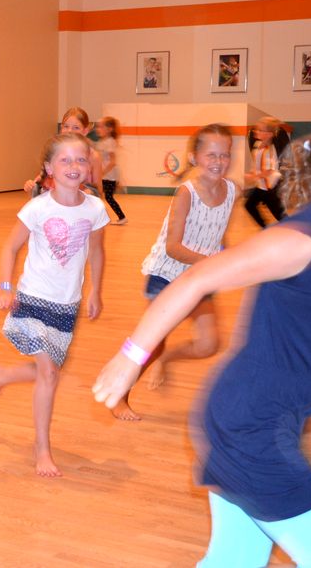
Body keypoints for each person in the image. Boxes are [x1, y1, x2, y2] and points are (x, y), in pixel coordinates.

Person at [93, 102, 311, 565]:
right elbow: (196, 279)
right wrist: (129, 357)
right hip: (250, 428)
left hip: (273, 420)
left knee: (234, 559)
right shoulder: (301, 240)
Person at [0, 132, 107, 477]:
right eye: (65, 160)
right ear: (49, 168)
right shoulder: (37, 208)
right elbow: (10, 247)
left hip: (67, 305)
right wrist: (5, 288)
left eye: (80, 159)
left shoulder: (95, 209)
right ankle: (42, 449)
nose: (73, 166)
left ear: (89, 167)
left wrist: (96, 291)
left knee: (48, 371)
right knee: (49, 374)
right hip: (32, 299)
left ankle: (3, 375)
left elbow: (97, 253)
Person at [110, 123, 237, 420]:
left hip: (200, 277)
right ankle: (119, 395)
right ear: (194, 157)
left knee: (208, 344)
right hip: (167, 275)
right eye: (211, 155)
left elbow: (219, 233)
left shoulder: (232, 190)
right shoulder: (186, 193)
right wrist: (213, 262)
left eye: (225, 154)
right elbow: (173, 248)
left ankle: (167, 358)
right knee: (151, 344)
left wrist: (226, 257)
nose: (219, 161)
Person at [243, 116, 287, 227]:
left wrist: (254, 176)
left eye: (260, 130)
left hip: (269, 188)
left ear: (269, 134)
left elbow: (269, 171)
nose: (256, 132)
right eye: (256, 129)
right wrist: (252, 173)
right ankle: (265, 228)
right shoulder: (257, 145)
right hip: (261, 187)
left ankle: (295, 228)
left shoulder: (270, 150)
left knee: (281, 216)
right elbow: (257, 166)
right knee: (249, 205)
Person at [95, 116, 127, 225]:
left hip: (109, 175)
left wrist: (102, 173)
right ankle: (101, 218)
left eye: (101, 127)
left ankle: (122, 217)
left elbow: (112, 162)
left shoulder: (110, 142)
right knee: (100, 196)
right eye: (97, 127)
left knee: (108, 197)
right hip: (104, 174)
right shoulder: (102, 141)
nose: (98, 129)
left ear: (109, 129)